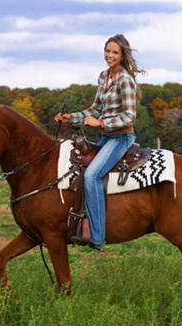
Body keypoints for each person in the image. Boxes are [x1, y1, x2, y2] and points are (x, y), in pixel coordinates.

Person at [54, 34, 145, 251]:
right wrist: (71, 117)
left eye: (115, 52)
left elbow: (130, 116)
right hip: (107, 138)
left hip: (122, 138)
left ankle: (97, 235)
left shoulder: (125, 79)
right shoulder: (103, 76)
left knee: (92, 175)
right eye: (107, 51)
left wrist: (101, 123)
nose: (110, 55)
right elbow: (94, 109)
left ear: (122, 55)